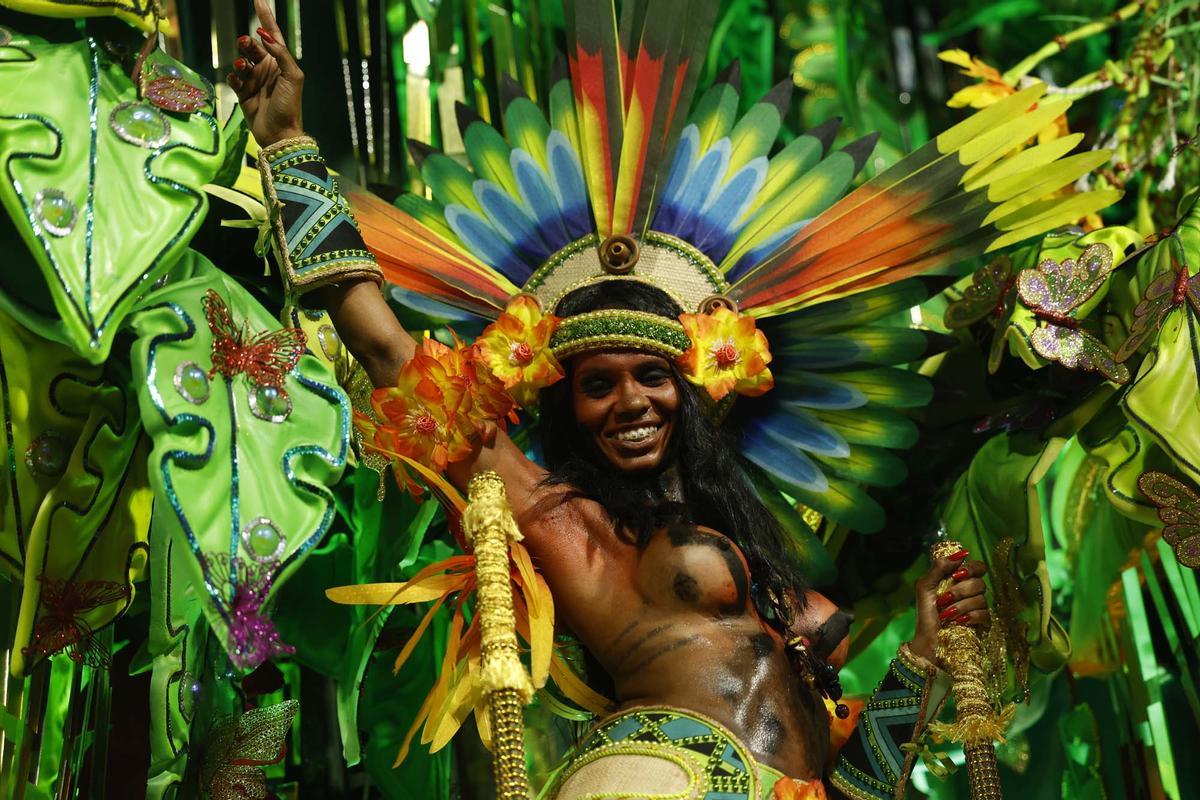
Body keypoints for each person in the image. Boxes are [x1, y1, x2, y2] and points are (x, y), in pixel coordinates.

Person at [227, 0, 1110, 794]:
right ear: (566, 409)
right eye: (597, 386)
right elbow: (385, 347)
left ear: (691, 392)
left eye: (652, 377)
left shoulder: (756, 545)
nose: (630, 402)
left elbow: (858, 788)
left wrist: (918, 656)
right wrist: (287, 145)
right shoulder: (576, 525)